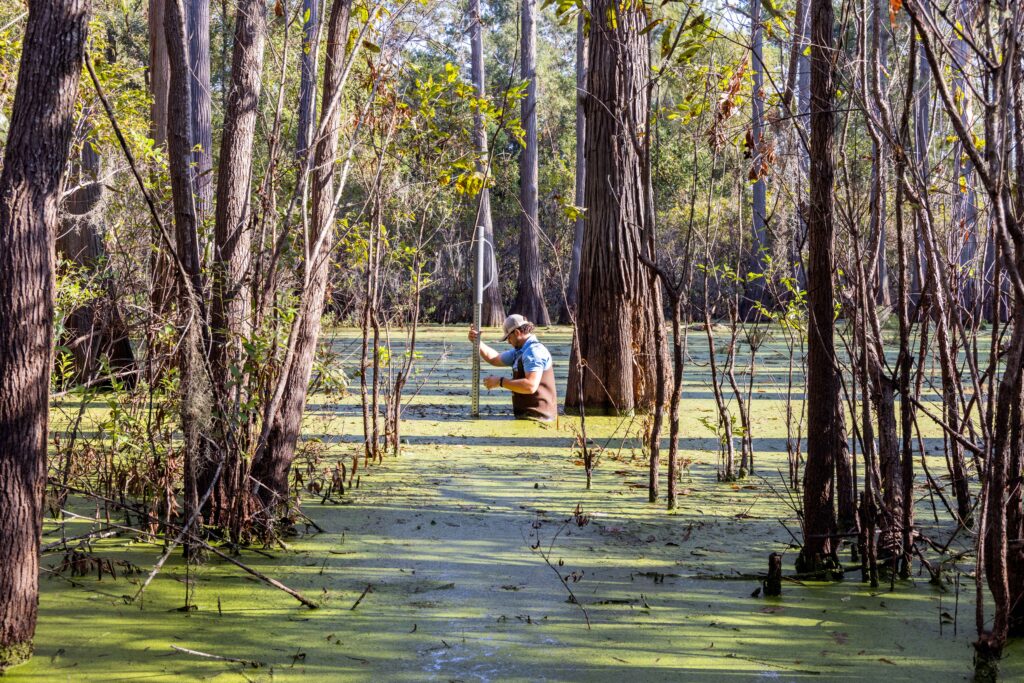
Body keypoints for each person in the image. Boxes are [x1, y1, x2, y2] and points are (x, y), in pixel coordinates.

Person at [467, 314, 557, 421]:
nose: (509, 342)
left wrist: (500, 382)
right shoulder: (519, 351)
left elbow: (530, 386)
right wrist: (477, 342)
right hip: (526, 418)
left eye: (509, 337)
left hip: (539, 419)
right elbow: (494, 358)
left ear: (517, 333)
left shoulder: (533, 352)